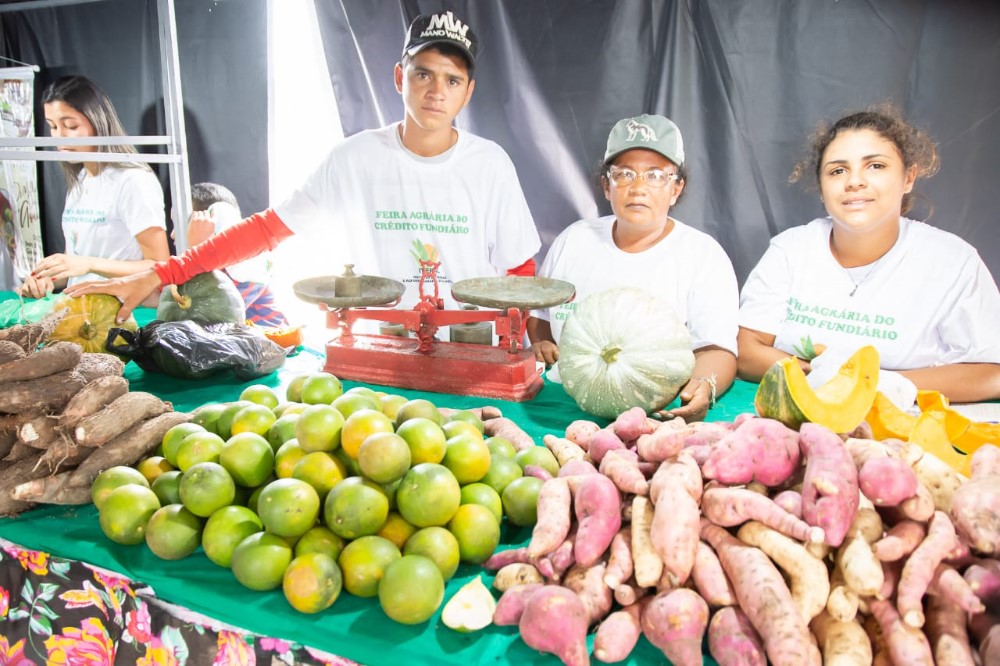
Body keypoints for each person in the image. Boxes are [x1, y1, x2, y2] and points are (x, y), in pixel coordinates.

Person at [65, 10, 540, 325]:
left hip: (469, 346)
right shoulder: (354, 159)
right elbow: (266, 230)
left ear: (468, 92)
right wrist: (164, 272)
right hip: (378, 344)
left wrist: (520, 340)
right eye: (423, 73)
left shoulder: (490, 165)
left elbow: (519, 269)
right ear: (400, 77)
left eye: (453, 79)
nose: (437, 90)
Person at [738, 107, 1000, 403]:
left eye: (875, 166)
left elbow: (991, 372)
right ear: (822, 189)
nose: (854, 181)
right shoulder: (791, 249)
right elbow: (747, 350)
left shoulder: (954, 262)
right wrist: (823, 378)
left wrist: (878, 385)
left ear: (908, 177)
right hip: (805, 414)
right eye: (838, 170)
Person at [527, 114, 739, 421]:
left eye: (655, 175)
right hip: (568, 405)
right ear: (606, 186)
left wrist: (704, 384)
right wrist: (542, 344)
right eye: (624, 174)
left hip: (658, 413)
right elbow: (540, 316)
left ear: (676, 188)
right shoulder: (574, 241)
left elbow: (717, 350)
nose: (638, 187)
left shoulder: (703, 256)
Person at [18, 75, 169, 298]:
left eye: (70, 125)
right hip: (81, 312)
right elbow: (77, 262)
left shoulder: (133, 180)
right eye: (53, 126)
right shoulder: (81, 181)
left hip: (124, 314)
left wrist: (88, 264)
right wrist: (46, 279)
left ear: (97, 121)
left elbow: (160, 265)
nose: (60, 136)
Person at [186, 182, 288, 327]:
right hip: (235, 341)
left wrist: (197, 251)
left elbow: (210, 316)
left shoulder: (246, 268)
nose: (172, 235)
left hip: (269, 344)